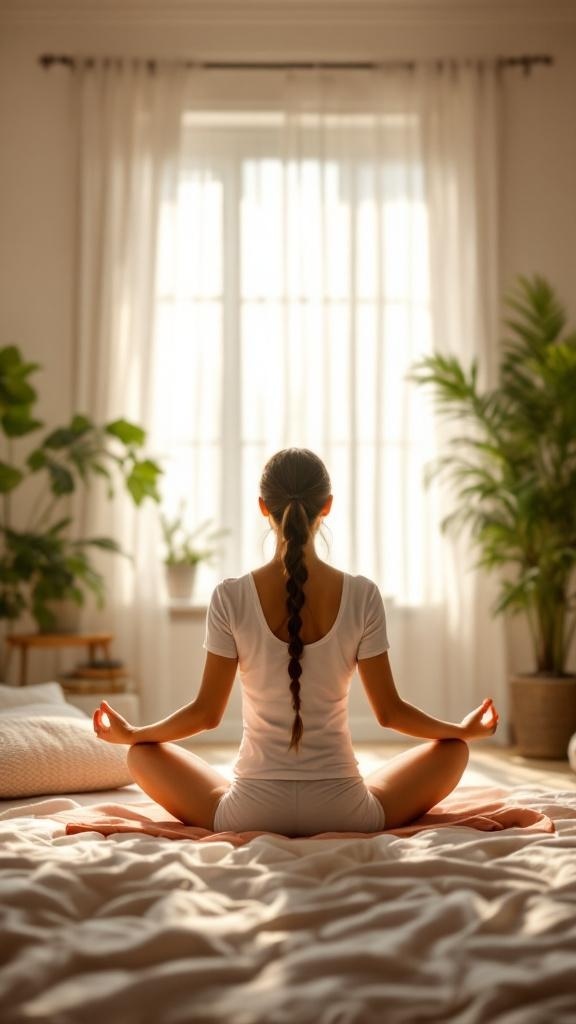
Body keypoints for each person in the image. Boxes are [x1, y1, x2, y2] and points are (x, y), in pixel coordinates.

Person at [93, 447, 499, 836]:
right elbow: (390, 715)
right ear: (327, 505)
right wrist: (461, 730)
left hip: (247, 811)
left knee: (141, 755)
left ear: (262, 507)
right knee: (454, 750)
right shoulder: (362, 594)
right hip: (346, 810)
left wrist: (135, 734)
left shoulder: (230, 596)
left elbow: (206, 715)